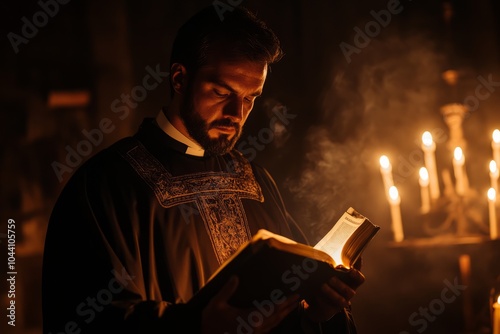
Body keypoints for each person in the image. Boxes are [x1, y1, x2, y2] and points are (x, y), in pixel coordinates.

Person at [42, 5, 365, 334]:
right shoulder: (106, 185)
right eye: (222, 92)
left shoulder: (257, 181)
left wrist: (320, 311)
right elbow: (85, 318)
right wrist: (195, 325)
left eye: (251, 98)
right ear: (180, 78)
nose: (236, 113)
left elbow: (293, 310)